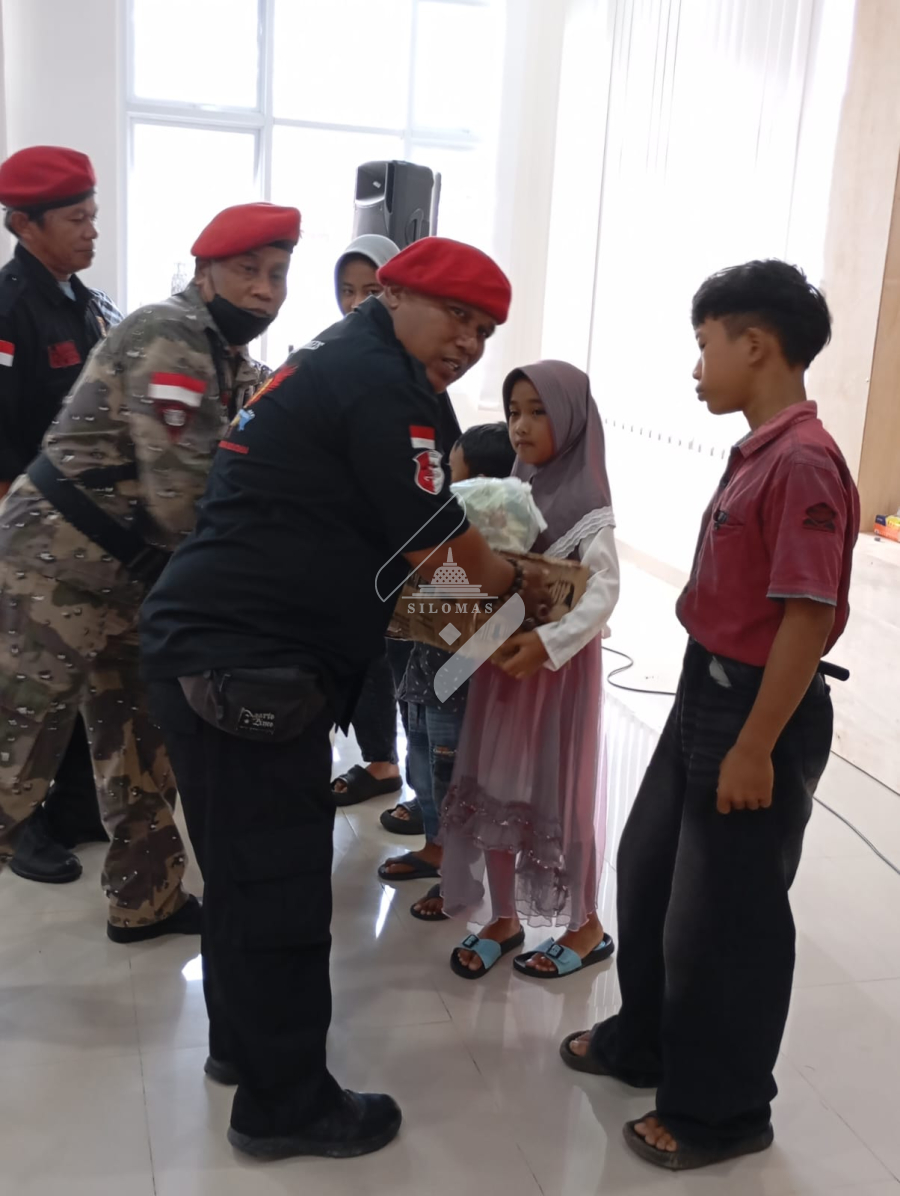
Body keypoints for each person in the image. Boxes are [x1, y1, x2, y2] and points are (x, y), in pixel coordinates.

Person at [139, 236, 552, 1161]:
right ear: (395, 294)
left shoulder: (351, 359)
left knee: (242, 876)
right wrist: (518, 590)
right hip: (248, 661)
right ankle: (285, 1106)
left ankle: (243, 1049)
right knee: (283, 889)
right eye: (457, 317)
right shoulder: (379, 384)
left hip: (207, 648)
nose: (469, 342)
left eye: (486, 331)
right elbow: (438, 544)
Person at [559, 261, 860, 1171]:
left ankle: (723, 1112)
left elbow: (806, 616)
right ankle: (646, 1042)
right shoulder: (762, 450)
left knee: (727, 920)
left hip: (754, 709)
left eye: (705, 346)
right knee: (652, 871)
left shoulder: (802, 461)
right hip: (708, 689)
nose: (697, 368)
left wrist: (756, 747)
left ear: (755, 344)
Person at [0, 200, 300, 942]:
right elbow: (182, 502)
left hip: (131, 583)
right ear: (203, 273)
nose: (264, 290)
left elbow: (282, 401)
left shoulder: (224, 355)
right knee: (13, 761)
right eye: (247, 270)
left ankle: (147, 900)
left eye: (277, 274)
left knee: (138, 742)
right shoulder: (171, 336)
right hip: (53, 574)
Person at [435, 362, 619, 978]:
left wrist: (548, 644)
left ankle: (586, 925)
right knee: (496, 786)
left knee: (561, 793)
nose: (521, 426)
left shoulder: (589, 506)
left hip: (556, 676)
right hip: (505, 670)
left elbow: (603, 593)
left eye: (539, 412)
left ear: (571, 418)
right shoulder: (513, 489)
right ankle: (504, 916)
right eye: (515, 412)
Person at [0, 144, 118, 884]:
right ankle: (18, 828)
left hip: (86, 531)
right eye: (76, 218)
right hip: (30, 534)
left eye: (92, 215)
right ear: (24, 223)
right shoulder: (11, 306)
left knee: (83, 678)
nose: (91, 231)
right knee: (30, 690)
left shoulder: (83, 300)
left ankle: (74, 806)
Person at [378, 422, 515, 890]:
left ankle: (461, 871)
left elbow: (482, 607)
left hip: (455, 682)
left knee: (449, 770)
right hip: (424, 671)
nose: (442, 481)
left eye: (452, 472)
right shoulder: (447, 532)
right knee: (421, 760)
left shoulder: (488, 542)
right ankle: (436, 846)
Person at [329, 234, 408, 805]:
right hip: (348, 536)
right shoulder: (339, 352)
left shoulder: (407, 362)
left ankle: (386, 764)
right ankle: (379, 756)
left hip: (393, 538)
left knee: (385, 652)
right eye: (346, 290)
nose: (356, 303)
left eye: (371, 290)